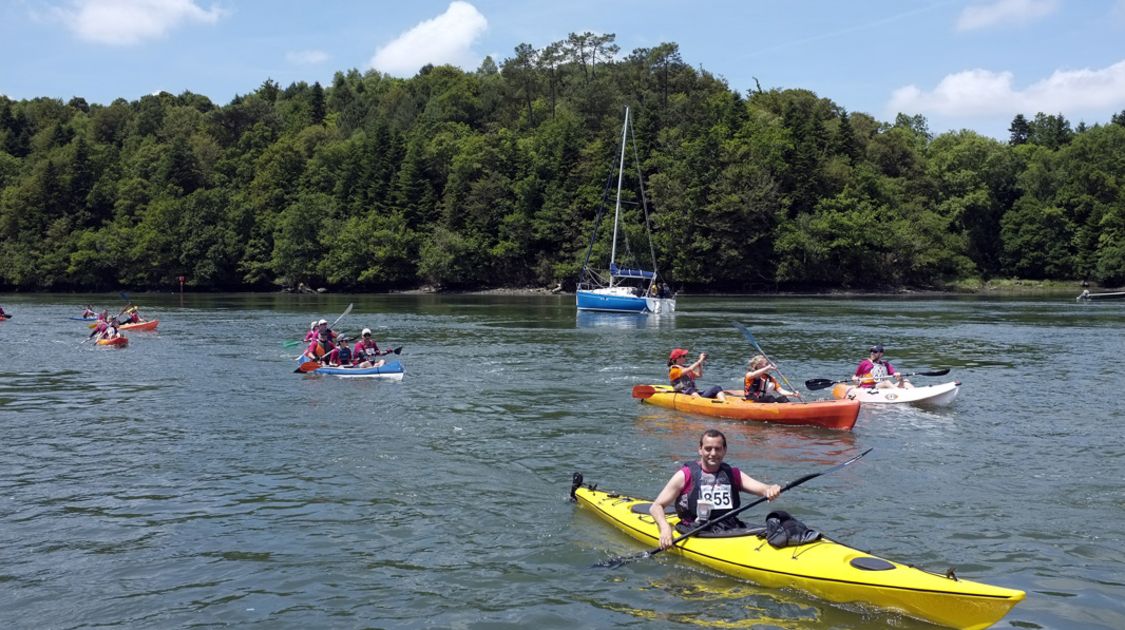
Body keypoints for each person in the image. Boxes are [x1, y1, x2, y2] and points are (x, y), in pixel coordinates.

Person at [649, 429, 781, 549]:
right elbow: (656, 506)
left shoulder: (733, 474)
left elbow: (763, 489)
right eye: (708, 449)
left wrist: (771, 489)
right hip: (695, 529)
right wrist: (665, 528)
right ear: (700, 450)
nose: (713, 453)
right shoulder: (685, 475)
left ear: (724, 450)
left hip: (729, 528)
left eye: (717, 449)